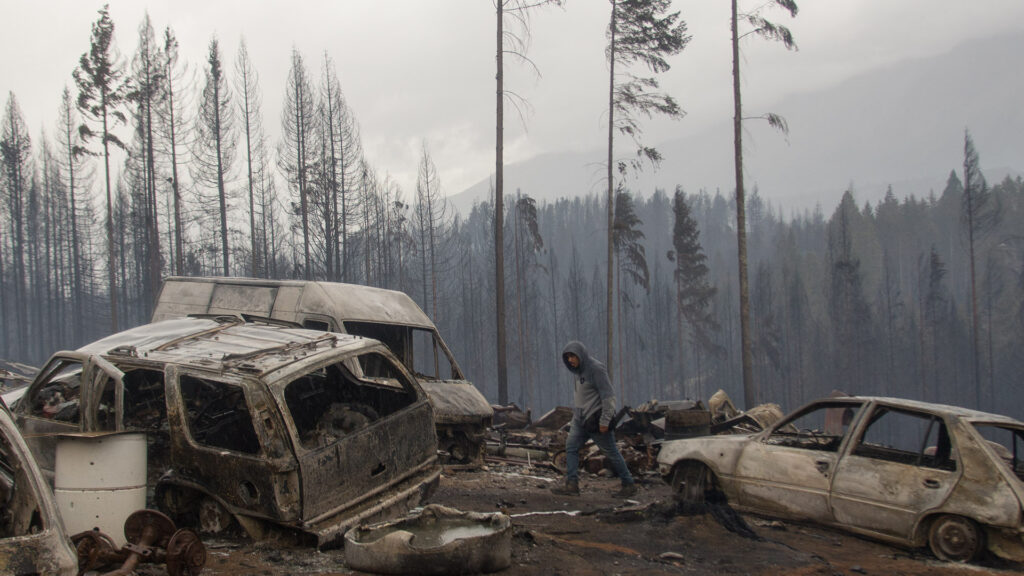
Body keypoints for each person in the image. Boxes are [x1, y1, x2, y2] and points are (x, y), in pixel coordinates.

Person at [551, 340, 637, 498]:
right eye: (568, 357)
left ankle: (628, 484)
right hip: (580, 420)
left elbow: (608, 396)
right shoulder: (577, 371)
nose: (570, 360)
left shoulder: (595, 369)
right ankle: (572, 484)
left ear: (581, 355)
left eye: (573, 356)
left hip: (596, 420)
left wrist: (605, 420)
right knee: (571, 447)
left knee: (611, 452)